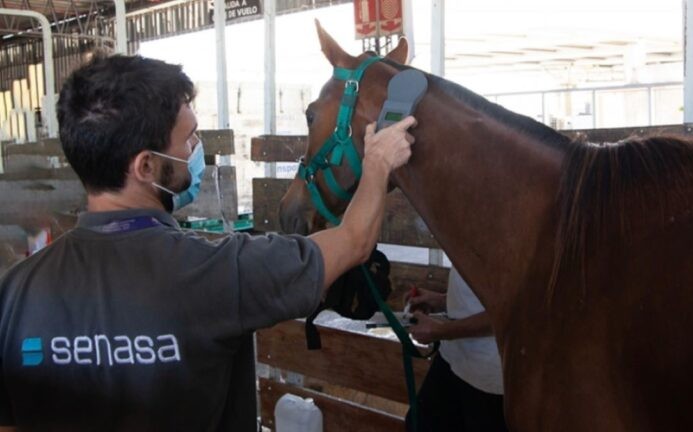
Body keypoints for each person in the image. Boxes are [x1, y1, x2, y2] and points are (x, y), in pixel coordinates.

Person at [0, 54, 416, 431]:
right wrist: (378, 162)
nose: (197, 151)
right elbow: (354, 241)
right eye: (189, 141)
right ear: (146, 166)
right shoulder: (216, 271)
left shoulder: (17, 290)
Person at [406, 267, 508, 432]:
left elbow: (514, 310)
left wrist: (440, 331)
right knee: (419, 424)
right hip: (454, 357)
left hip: (489, 374)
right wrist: (443, 301)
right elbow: (483, 293)